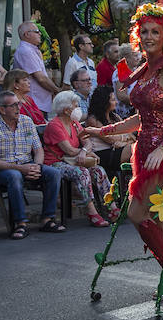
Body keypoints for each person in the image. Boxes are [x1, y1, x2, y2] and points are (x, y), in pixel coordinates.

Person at [81, 5, 163, 283]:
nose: (149, 36)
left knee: (137, 213)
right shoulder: (145, 70)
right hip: (145, 152)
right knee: (154, 218)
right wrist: (101, 130)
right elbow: (142, 118)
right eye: (144, 31)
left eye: (155, 32)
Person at [0, 90, 65, 240]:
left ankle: (48, 219)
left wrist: (36, 166)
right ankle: (20, 223)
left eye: (18, 104)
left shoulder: (26, 121)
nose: (18, 108)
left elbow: (39, 150)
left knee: (53, 173)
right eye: (13, 105)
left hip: (28, 164)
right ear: (2, 109)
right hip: (3, 168)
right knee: (14, 176)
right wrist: (21, 168)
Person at [43, 90, 113, 228]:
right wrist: (84, 152)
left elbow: (87, 141)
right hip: (56, 162)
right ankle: (92, 212)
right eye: (75, 106)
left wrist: (85, 151)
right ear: (66, 109)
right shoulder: (55, 125)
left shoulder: (74, 123)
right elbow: (68, 150)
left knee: (98, 170)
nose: (78, 108)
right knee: (82, 173)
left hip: (74, 159)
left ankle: (111, 206)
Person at [84, 85, 134, 178]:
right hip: (102, 154)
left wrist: (122, 142)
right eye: (113, 100)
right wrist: (125, 138)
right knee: (134, 149)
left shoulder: (115, 116)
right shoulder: (93, 120)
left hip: (117, 150)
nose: (116, 102)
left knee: (136, 146)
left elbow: (131, 135)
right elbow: (109, 139)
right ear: (104, 102)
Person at [11, 20, 60, 110]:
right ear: (27, 34)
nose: (40, 34)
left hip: (39, 102)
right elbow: (41, 78)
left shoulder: (32, 49)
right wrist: (57, 90)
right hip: (34, 103)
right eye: (37, 32)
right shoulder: (26, 51)